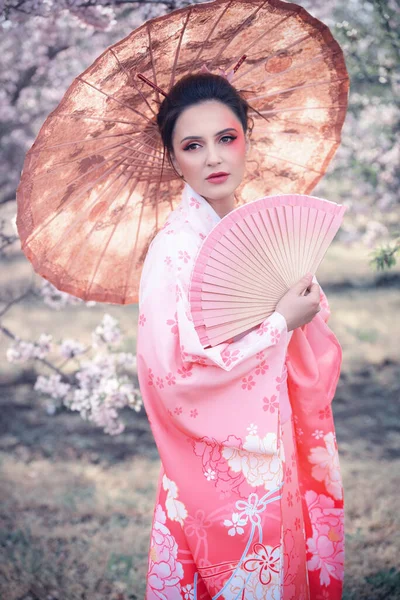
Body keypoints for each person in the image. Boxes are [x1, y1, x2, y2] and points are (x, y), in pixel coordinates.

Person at [136, 72, 344, 600]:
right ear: (173, 158)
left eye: (226, 138)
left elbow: (307, 331)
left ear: (246, 138)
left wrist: (302, 306)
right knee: (238, 573)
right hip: (218, 459)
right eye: (192, 146)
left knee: (284, 563)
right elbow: (174, 378)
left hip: (275, 430)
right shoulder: (173, 251)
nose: (213, 158)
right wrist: (278, 325)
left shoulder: (259, 228)